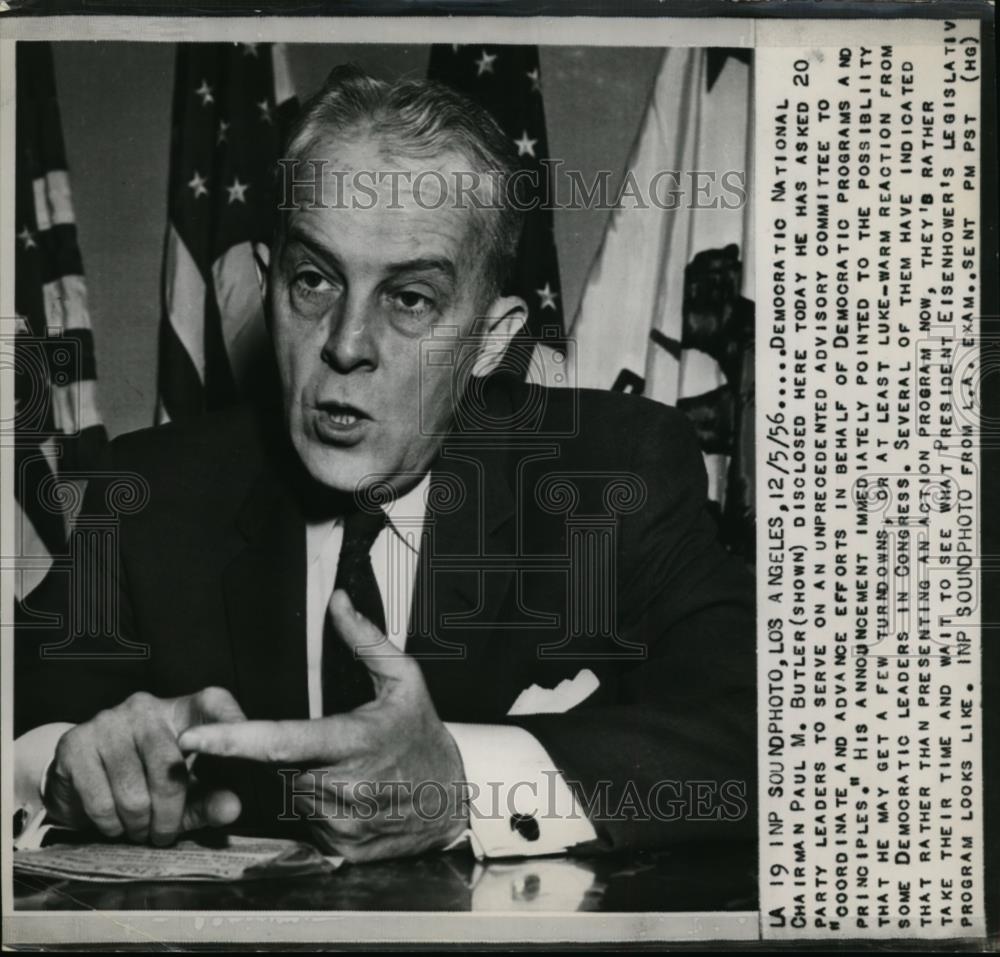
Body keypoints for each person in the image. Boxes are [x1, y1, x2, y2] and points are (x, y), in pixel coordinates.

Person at [14, 66, 755, 863]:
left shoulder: (614, 475)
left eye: (409, 299)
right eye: (313, 280)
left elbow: (772, 727)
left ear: (493, 340)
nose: (345, 343)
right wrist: (64, 765)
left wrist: (464, 782)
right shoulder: (152, 497)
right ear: (266, 287)